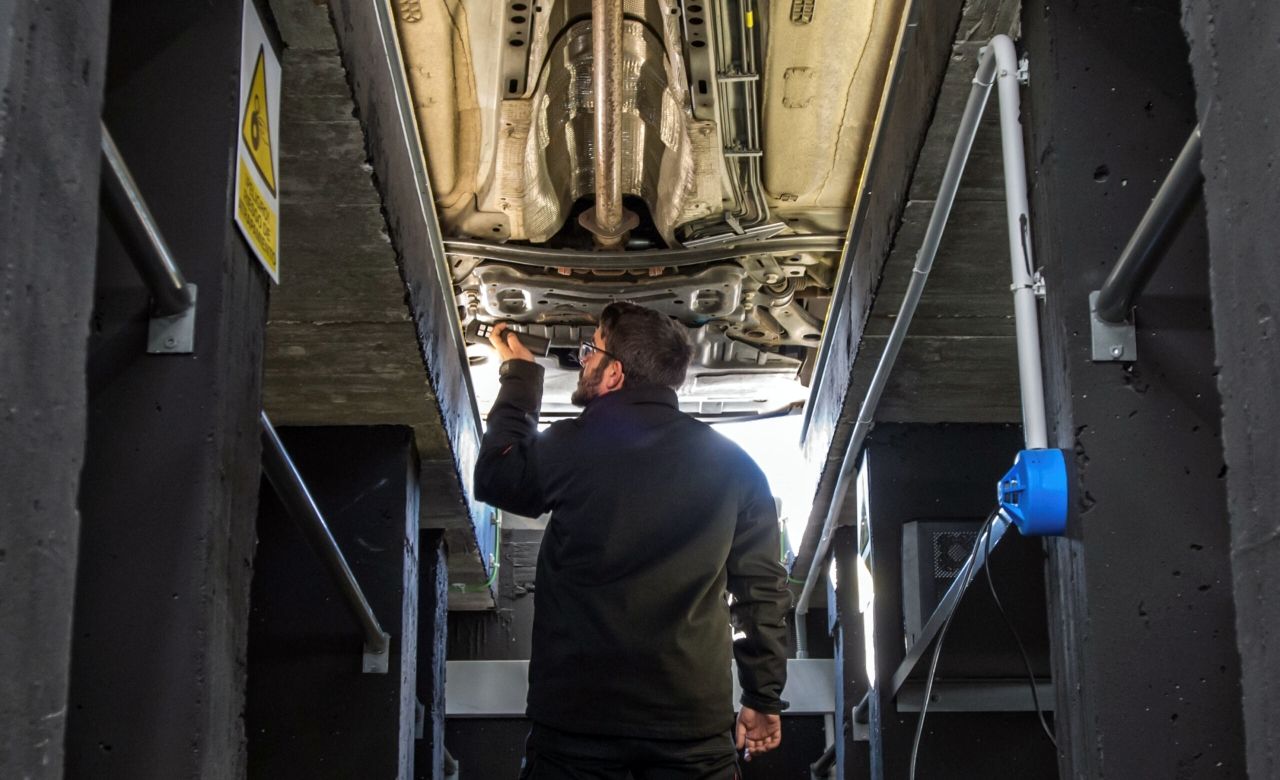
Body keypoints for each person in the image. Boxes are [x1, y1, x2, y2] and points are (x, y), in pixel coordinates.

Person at [474, 302, 791, 779]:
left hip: (576, 728)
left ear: (615, 373)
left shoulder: (572, 444)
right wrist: (762, 695)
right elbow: (758, 594)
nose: (584, 361)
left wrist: (520, 374)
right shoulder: (736, 467)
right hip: (691, 733)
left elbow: (497, 477)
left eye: (591, 351)